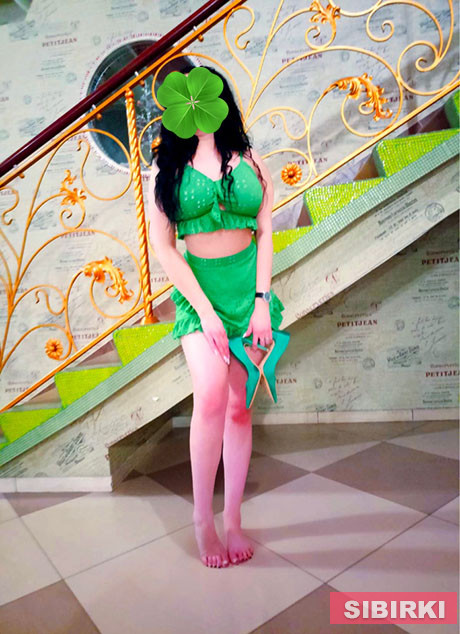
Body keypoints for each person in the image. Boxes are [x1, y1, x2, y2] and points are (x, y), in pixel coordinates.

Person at [147, 65, 285, 568]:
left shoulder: (249, 159)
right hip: (199, 297)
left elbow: (265, 231)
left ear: (220, 98)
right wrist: (204, 311)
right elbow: (165, 248)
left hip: (248, 294)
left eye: (205, 96)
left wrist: (262, 301)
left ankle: (233, 519)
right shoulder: (165, 170)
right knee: (208, 397)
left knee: (239, 408)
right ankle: (202, 520)